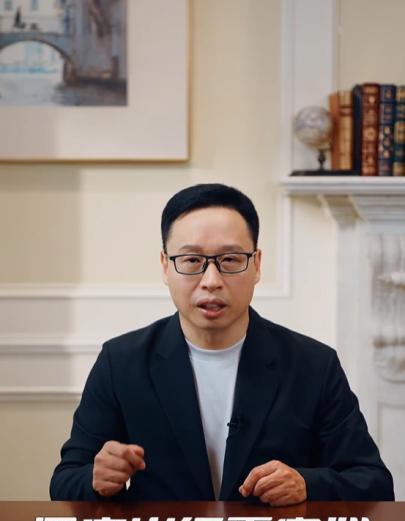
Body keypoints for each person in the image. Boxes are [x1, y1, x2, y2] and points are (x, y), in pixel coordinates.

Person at [50, 183, 395, 504]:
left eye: (230, 260)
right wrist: (96, 479)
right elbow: (64, 482)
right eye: (192, 261)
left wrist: (307, 485)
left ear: (256, 265)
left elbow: (374, 484)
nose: (211, 281)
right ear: (165, 267)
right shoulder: (121, 362)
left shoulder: (313, 365)